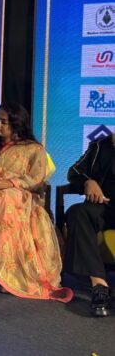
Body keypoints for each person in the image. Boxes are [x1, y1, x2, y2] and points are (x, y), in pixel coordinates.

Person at [0, 102, 72, 302]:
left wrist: (8, 183)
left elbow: (36, 180)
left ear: (17, 124)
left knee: (5, 199)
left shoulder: (33, 149)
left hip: (18, 195)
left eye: (4, 122)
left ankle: (7, 274)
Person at [65, 133, 115, 317]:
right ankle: (99, 285)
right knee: (78, 212)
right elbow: (74, 172)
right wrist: (88, 181)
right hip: (104, 205)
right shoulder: (100, 145)